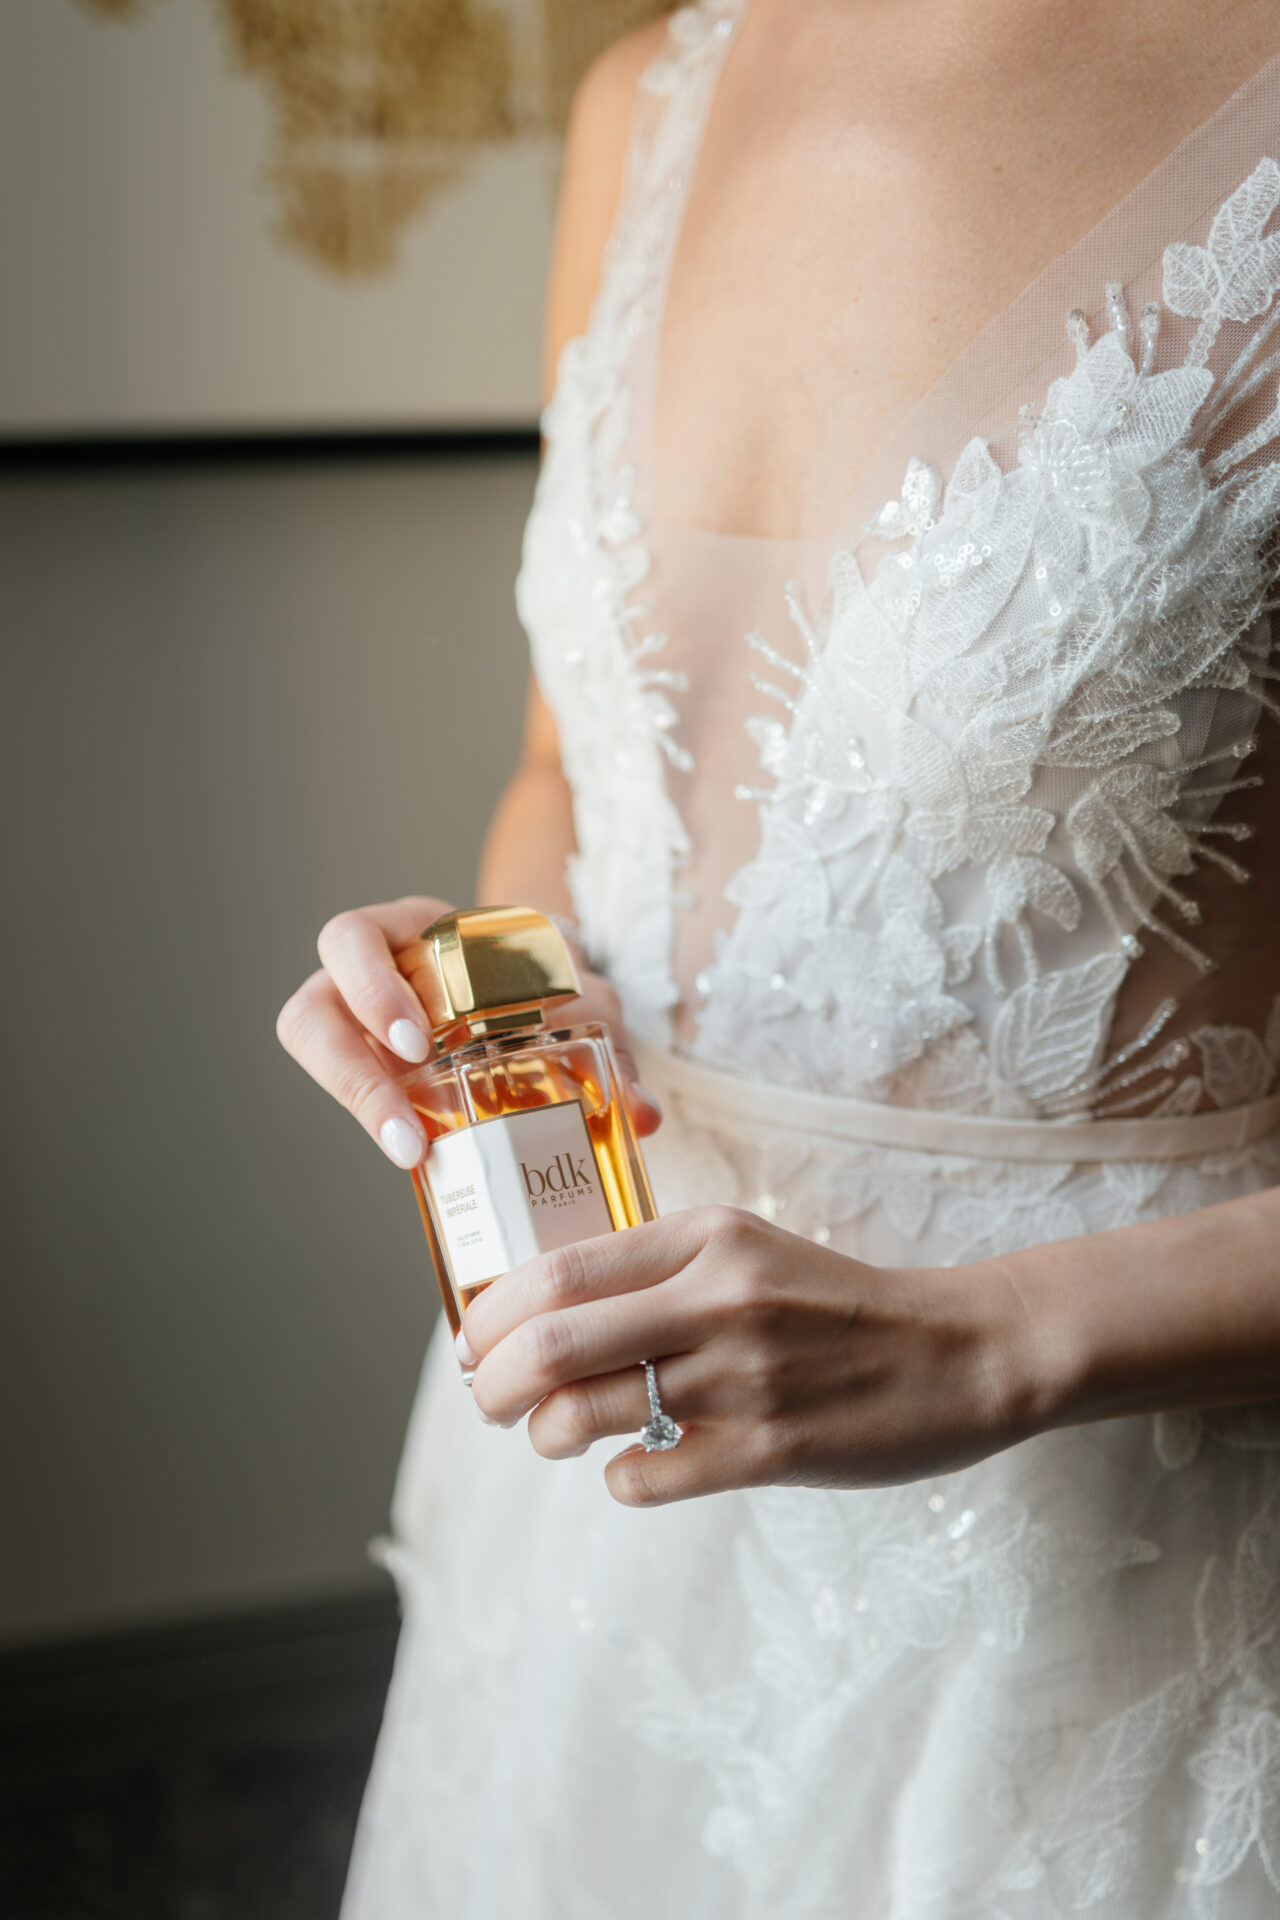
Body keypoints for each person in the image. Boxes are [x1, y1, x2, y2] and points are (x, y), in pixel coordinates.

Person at [277, 3, 1280, 1912]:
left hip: (1110, 1563)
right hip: (601, 1491)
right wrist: (486, 989)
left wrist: (1001, 1342)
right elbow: (567, 767)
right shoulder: (645, 102)